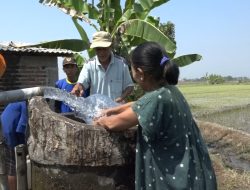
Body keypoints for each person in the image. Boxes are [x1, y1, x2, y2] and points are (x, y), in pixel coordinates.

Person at [94, 42, 217, 190]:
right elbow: (138, 104)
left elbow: (114, 123)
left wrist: (100, 120)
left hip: (173, 176)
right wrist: (113, 110)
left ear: (139, 73)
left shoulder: (154, 100)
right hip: (191, 169)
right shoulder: (168, 91)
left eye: (131, 68)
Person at [71, 31, 134, 103]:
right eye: (98, 49)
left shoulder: (122, 64)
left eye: (104, 48)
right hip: (97, 111)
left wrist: (120, 98)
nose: (102, 52)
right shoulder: (89, 65)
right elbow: (81, 83)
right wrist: (77, 87)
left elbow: (129, 86)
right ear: (94, 49)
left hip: (117, 110)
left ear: (110, 47)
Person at [0, 101, 28, 190]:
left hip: (2, 133)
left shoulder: (13, 102)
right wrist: (23, 146)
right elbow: (21, 127)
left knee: (5, 167)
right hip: (9, 136)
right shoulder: (24, 105)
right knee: (12, 169)